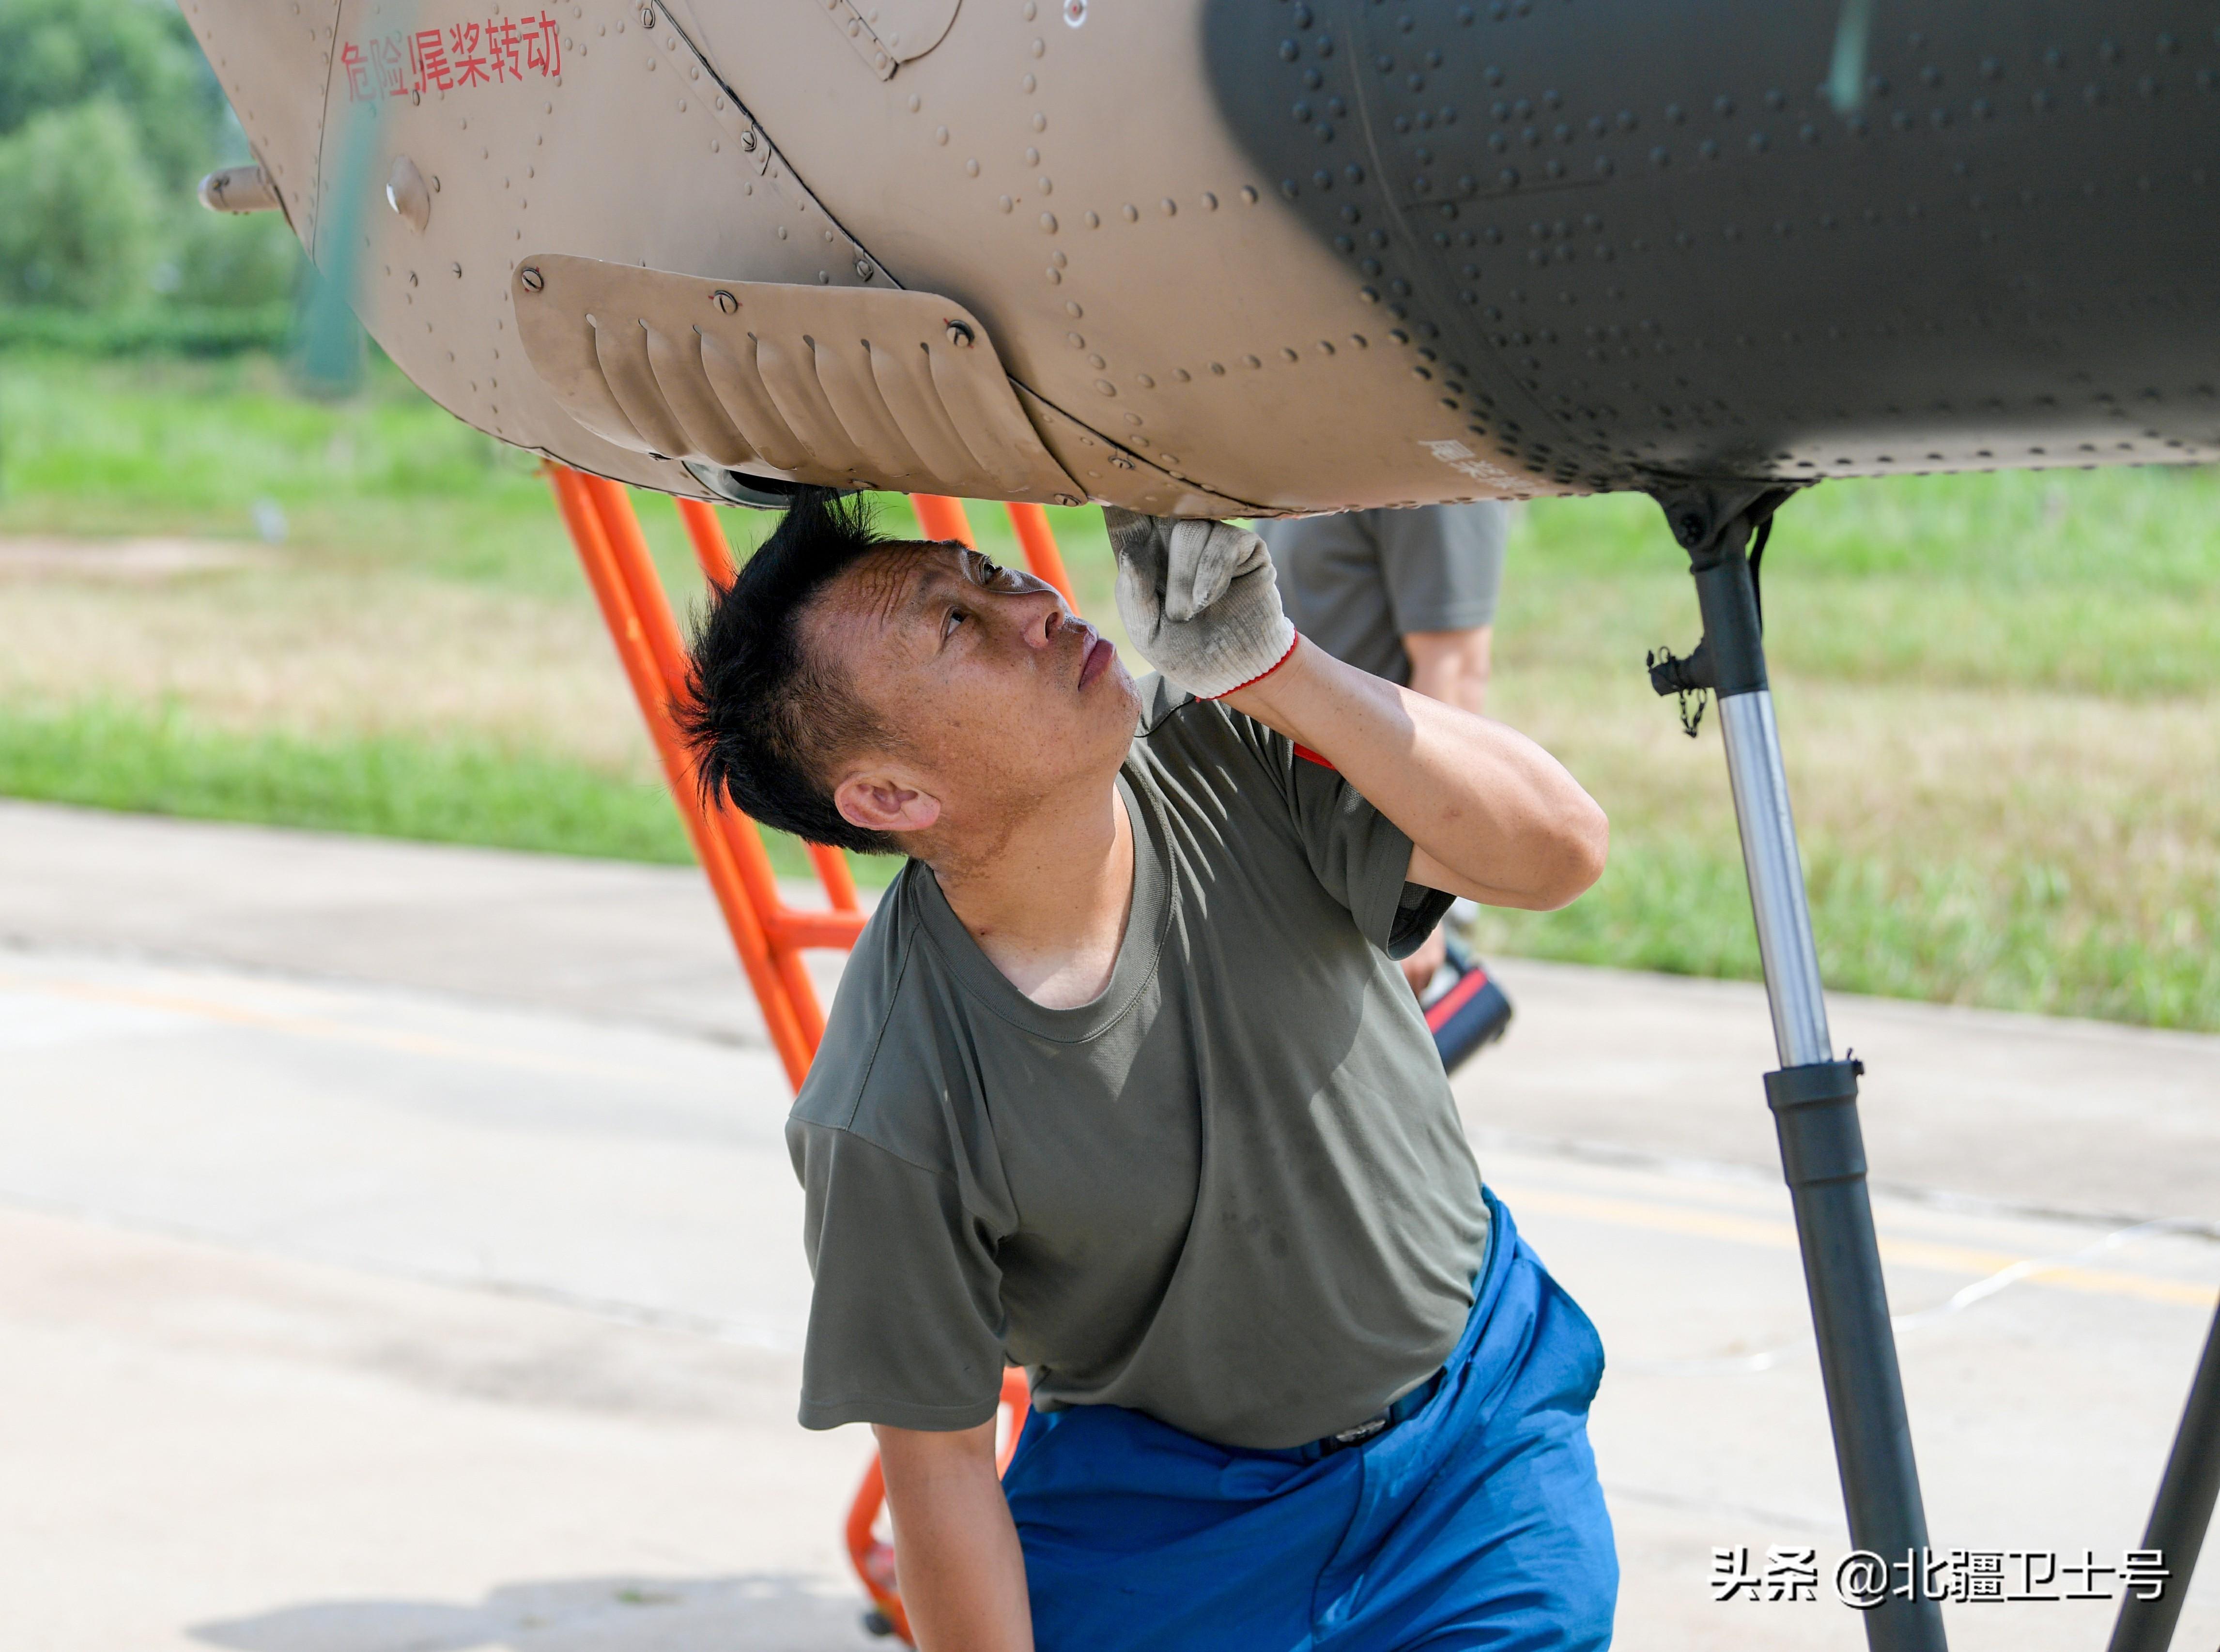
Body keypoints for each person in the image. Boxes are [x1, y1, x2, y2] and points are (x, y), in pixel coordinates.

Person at [679, 492, 1616, 1652]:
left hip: (1472, 1439)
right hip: (1171, 1521)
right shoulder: (887, 1101)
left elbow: (1560, 848)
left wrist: (1274, 663)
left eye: (988, 574)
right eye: (956, 627)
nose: (1029, 602)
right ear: (890, 798)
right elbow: (940, 1479)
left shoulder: (1218, 739)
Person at [1257, 505, 1515, 1070]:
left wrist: (1412, 906)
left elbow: (1456, 670)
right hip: (1287, 851)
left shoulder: (1429, 460)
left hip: (1365, 869)